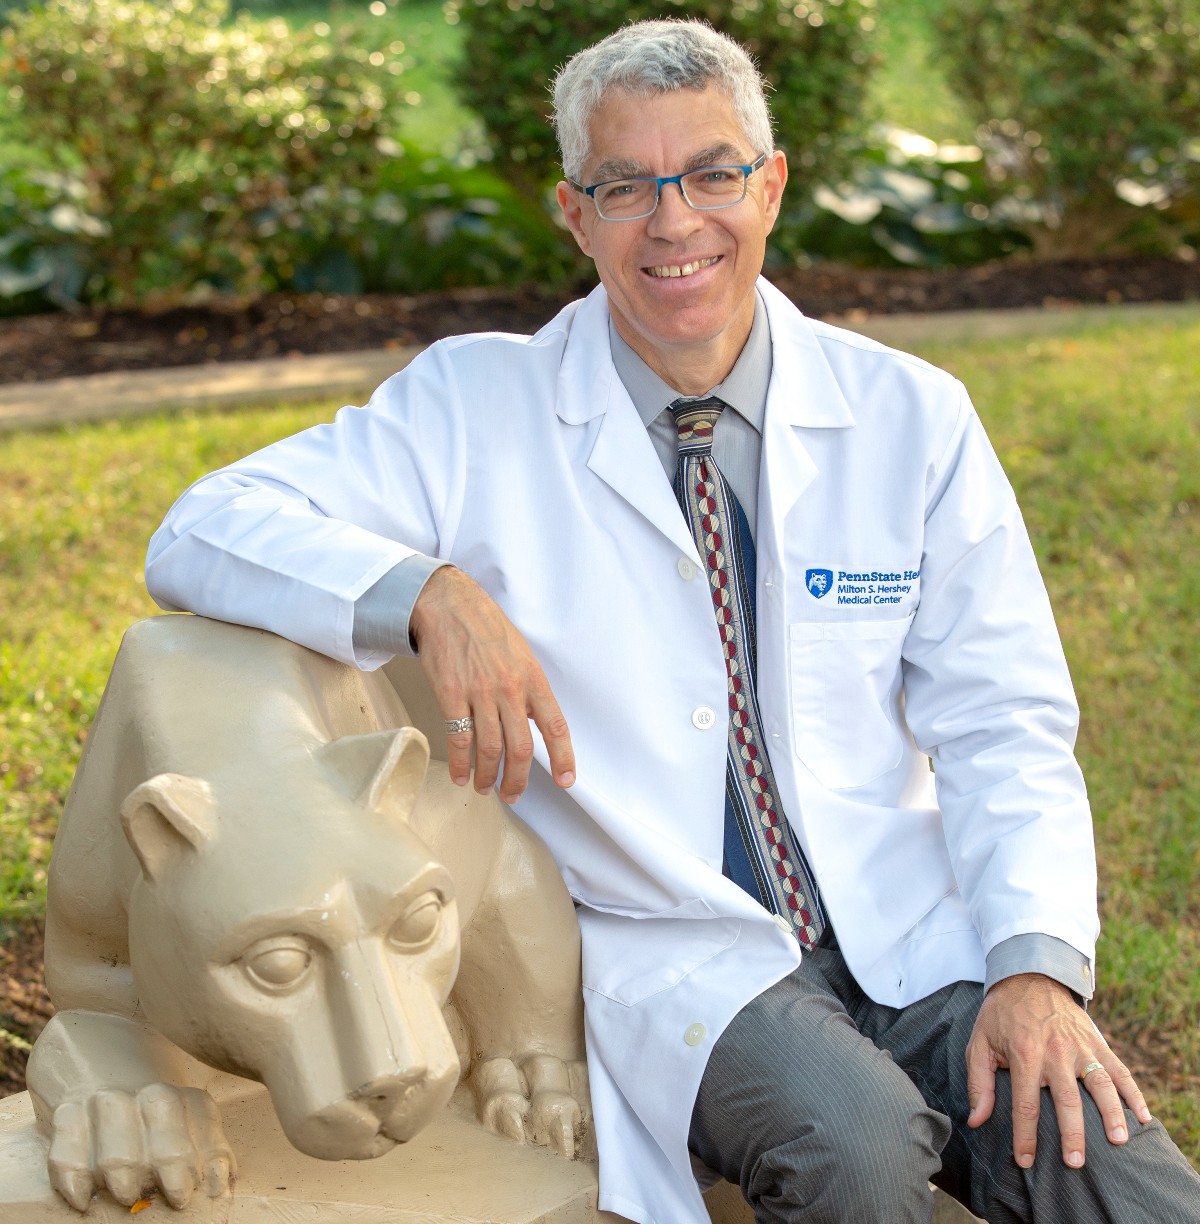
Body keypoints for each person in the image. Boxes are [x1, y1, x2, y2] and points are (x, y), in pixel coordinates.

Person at [145, 19, 1200, 1224]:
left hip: (916, 919)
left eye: (710, 173)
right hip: (680, 942)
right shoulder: (474, 405)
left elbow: (1003, 722)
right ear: (573, 214)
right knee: (854, 1146)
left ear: (771, 186)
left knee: (1113, 1170)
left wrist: (1031, 964)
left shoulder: (912, 417)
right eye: (624, 186)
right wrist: (428, 595)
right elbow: (204, 525)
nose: (675, 220)